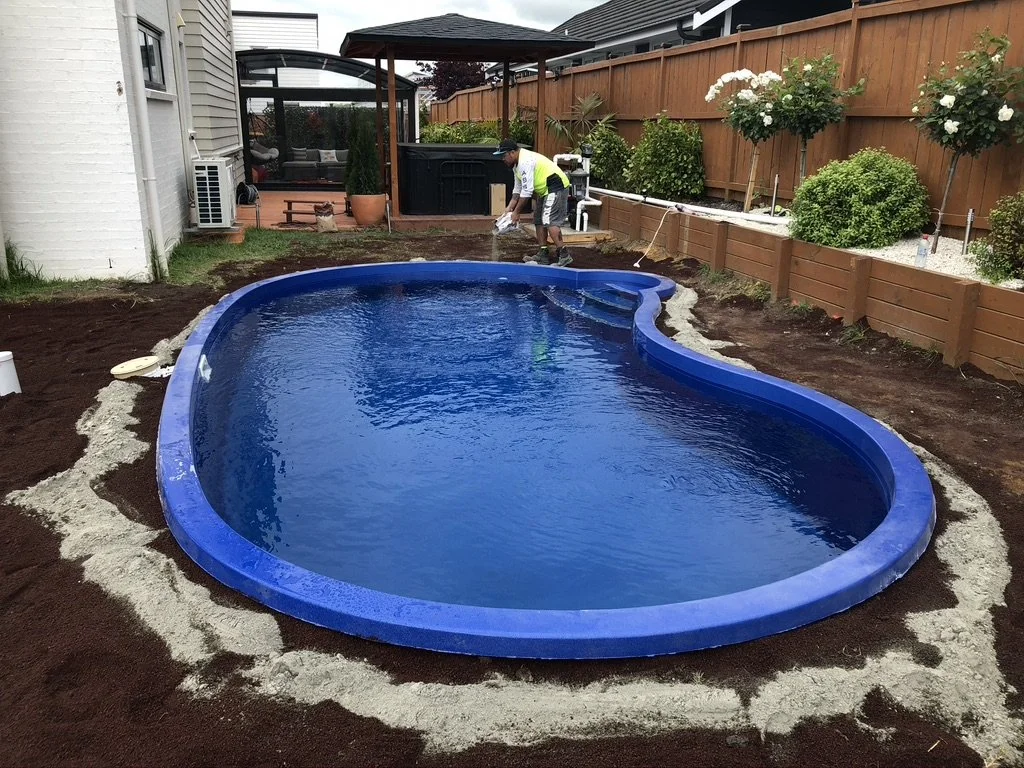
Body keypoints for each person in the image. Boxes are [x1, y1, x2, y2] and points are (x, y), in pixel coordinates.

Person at [494, 139, 573, 267]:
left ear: (512, 153)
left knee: (549, 220)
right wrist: (508, 209)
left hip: (555, 186)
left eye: (504, 155)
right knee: (538, 220)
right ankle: (543, 254)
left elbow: (527, 191)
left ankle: (564, 255)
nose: (502, 159)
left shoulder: (525, 161)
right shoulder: (516, 165)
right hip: (545, 190)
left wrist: (516, 212)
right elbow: (518, 189)